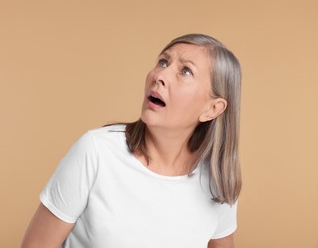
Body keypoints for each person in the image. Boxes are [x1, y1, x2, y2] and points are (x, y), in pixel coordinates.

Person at [21, 33, 242, 248]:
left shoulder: (218, 181)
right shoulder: (96, 151)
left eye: (185, 71)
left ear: (212, 109)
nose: (160, 76)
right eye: (163, 62)